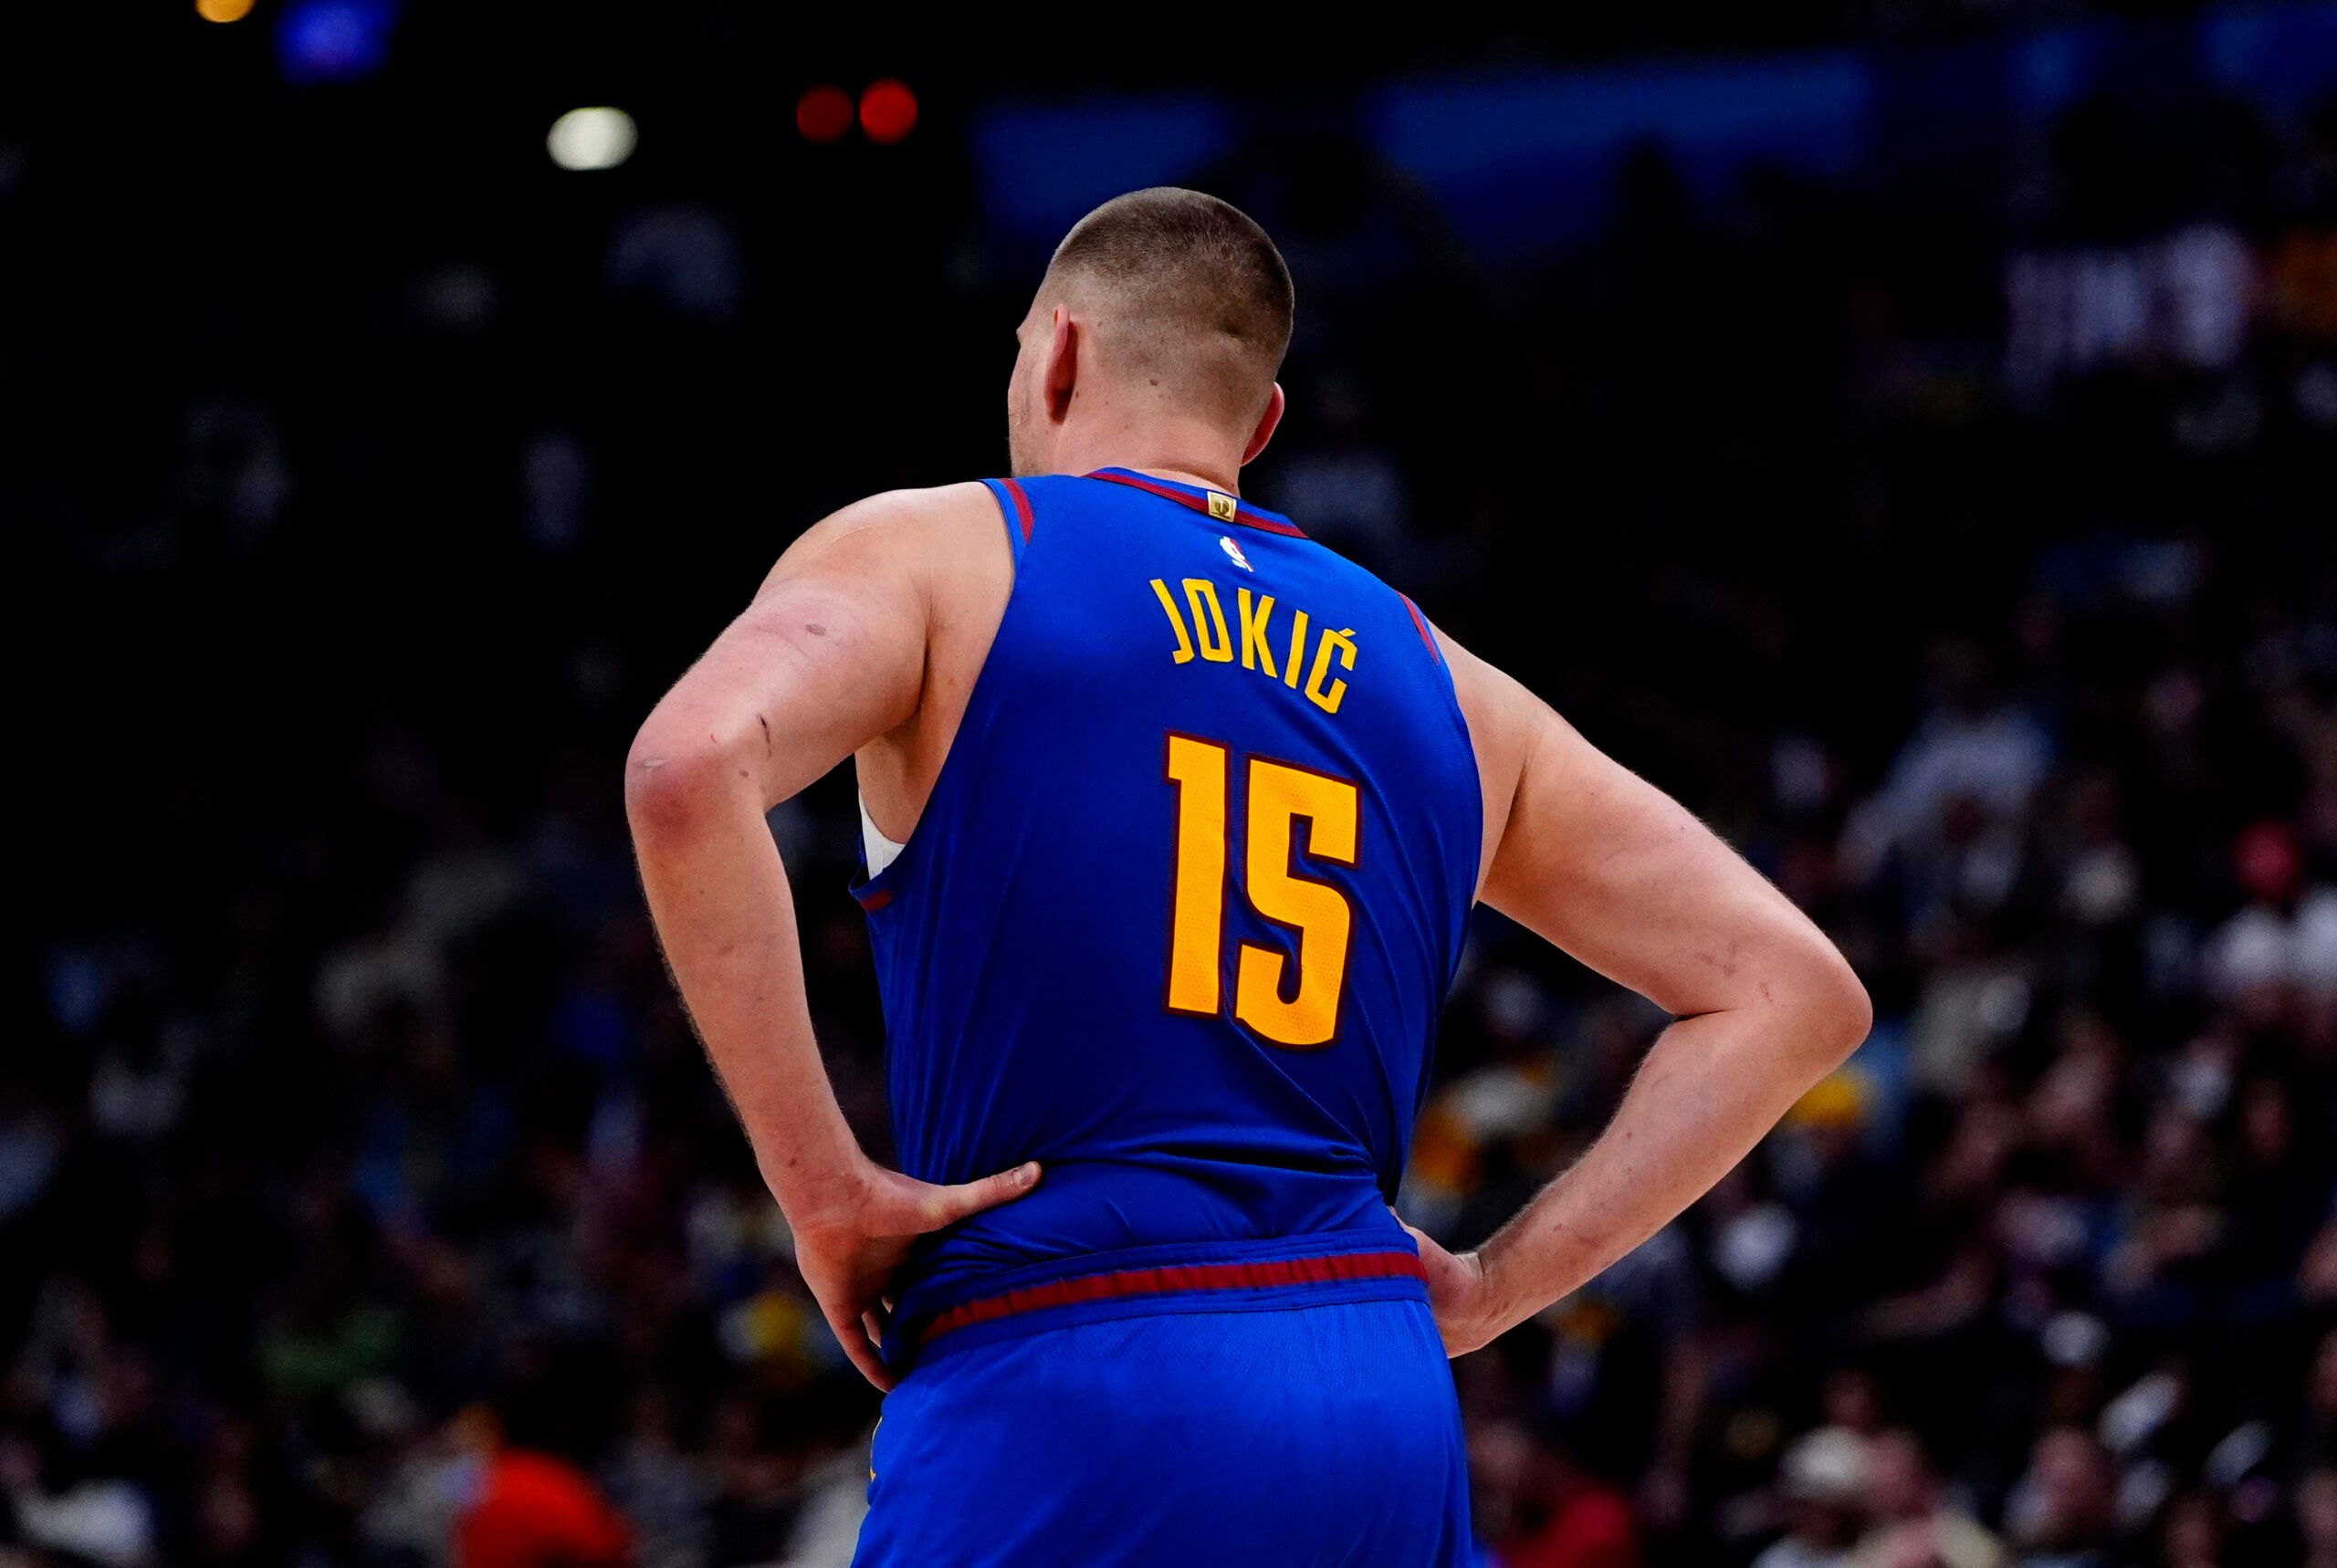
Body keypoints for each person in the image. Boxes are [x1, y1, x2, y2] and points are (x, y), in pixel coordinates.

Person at [626, 186, 1871, 1566]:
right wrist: (1492, 1288)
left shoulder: (944, 552)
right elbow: (1794, 991)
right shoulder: (1443, 677)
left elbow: (685, 769)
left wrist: (824, 1194)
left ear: (1056, 355)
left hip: (1074, 1363)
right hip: (1374, 1386)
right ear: (1260, 424)